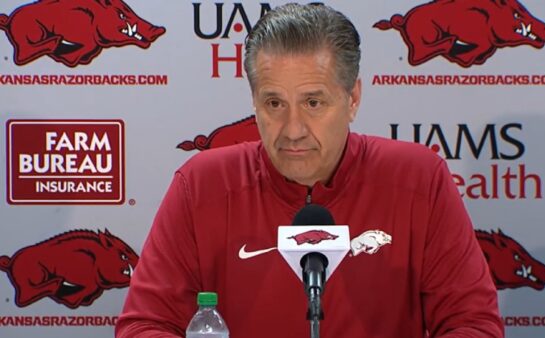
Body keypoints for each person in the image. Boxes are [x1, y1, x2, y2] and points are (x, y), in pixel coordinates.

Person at [116, 3, 504, 337]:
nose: (293, 129)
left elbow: (474, 324)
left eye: (313, 103)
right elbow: (143, 324)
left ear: (352, 99)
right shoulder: (202, 185)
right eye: (274, 104)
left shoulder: (419, 179)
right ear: (253, 101)